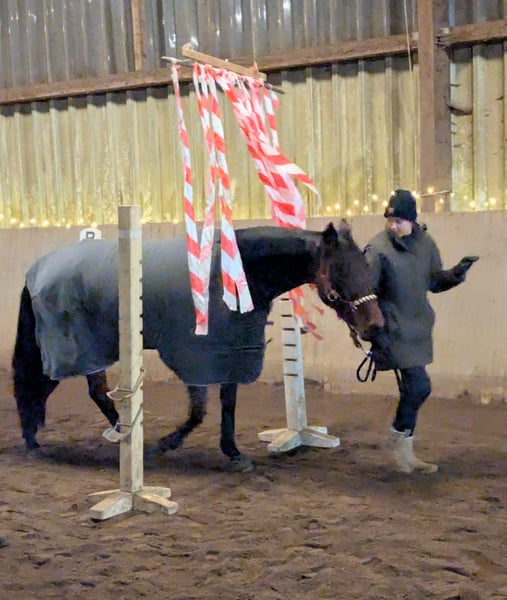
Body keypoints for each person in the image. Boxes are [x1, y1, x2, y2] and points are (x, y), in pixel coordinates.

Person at [364, 189, 479, 474]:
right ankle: (399, 444)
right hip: (392, 330)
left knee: (415, 389)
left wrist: (457, 273)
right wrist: (373, 333)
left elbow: (434, 282)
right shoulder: (377, 249)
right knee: (419, 386)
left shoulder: (426, 244)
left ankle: (404, 448)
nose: (393, 226)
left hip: (417, 328)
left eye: (399, 221)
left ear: (412, 220)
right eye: (390, 220)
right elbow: (366, 294)